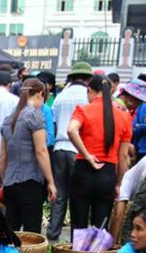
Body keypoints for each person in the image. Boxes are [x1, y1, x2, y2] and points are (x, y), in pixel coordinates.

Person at [67, 76, 132, 230]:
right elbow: (123, 157)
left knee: (79, 226)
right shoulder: (124, 116)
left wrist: (87, 155)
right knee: (100, 229)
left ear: (90, 90)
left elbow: (71, 129)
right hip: (107, 175)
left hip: (83, 171)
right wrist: (118, 184)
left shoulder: (83, 110)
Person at [0, 78, 56, 234]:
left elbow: (3, 157)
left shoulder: (8, 119)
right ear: (39, 94)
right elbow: (41, 151)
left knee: (11, 232)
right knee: (31, 234)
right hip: (30, 181)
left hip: (10, 182)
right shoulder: (35, 116)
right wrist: (50, 181)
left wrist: (4, 181)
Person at [48, 62, 92, 241]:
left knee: (58, 194)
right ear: (87, 79)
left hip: (59, 148)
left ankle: (52, 233)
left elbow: (55, 122)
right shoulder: (87, 96)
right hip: (78, 150)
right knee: (78, 196)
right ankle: (76, 238)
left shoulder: (61, 96)